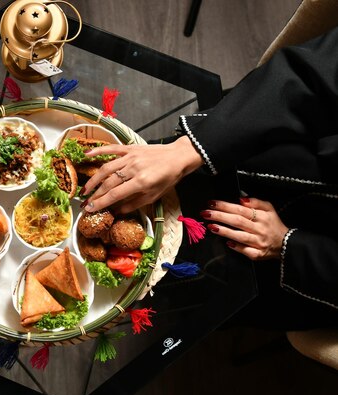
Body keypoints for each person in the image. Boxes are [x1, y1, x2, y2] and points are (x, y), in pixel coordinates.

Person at [79, 26, 338, 330]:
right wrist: (190, 150)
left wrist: (287, 245)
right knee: (146, 172)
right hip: (275, 137)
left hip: (311, 253)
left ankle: (167, 305)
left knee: (188, 291)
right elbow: (318, 72)